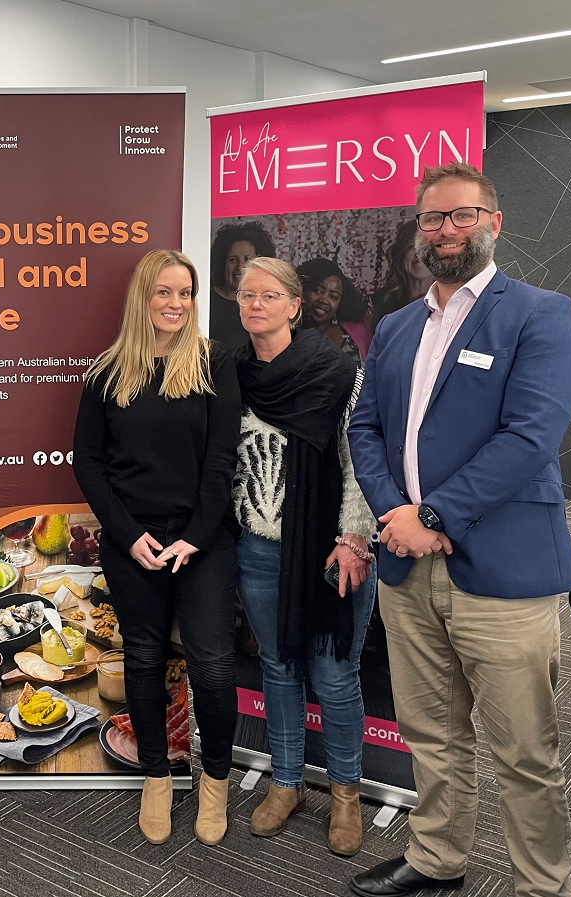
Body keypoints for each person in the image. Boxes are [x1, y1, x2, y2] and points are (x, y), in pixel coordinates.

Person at [348, 162, 571, 897]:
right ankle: (437, 856)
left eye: (462, 215)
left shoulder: (538, 313)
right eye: (432, 219)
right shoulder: (395, 325)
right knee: (432, 733)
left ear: (493, 222)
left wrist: (432, 515)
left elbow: (529, 438)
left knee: (525, 750)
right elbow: (366, 427)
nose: (446, 230)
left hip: (503, 570)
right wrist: (396, 515)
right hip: (406, 567)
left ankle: (544, 886)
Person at [73, 249, 242, 847]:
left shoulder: (213, 364)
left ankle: (214, 780)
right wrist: (128, 534)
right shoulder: (105, 373)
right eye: (164, 292)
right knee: (143, 660)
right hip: (132, 540)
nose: (176, 304)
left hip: (204, 538)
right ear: (142, 297)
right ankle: (156, 777)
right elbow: (88, 463)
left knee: (213, 665)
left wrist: (194, 536)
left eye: (186, 293)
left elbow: (223, 459)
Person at [230, 257, 376, 857]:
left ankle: (345, 796)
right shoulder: (231, 374)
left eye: (269, 295)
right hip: (257, 550)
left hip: (328, 549)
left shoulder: (337, 372)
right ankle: (286, 783)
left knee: (335, 676)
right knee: (278, 666)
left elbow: (362, 461)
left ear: (295, 306)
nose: (255, 304)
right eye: (246, 295)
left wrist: (354, 539)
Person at [209, 220, 277, 350]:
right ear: (222, 264)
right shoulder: (206, 301)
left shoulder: (268, 301)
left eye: (248, 259)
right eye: (233, 260)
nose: (240, 267)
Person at [296, 257, 372, 364]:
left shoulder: (356, 334)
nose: (324, 300)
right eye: (317, 290)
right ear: (302, 289)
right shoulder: (284, 332)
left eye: (333, 296)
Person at [370, 218, 434, 330]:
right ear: (401, 254)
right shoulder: (382, 301)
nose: (418, 254)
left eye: (425, 247)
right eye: (411, 247)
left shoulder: (450, 300)